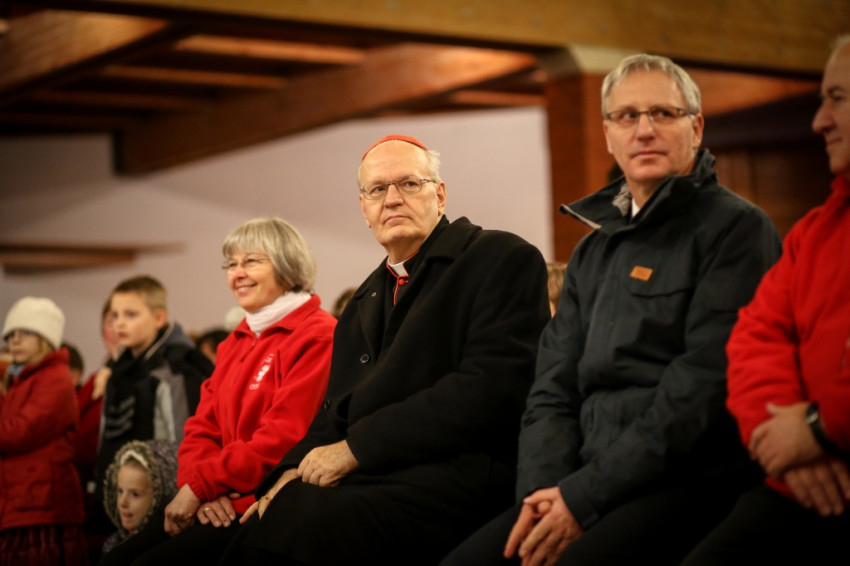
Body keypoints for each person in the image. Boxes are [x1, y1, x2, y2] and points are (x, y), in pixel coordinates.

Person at [442, 54, 782, 565]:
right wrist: (541, 493)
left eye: (662, 113)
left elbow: (701, 390)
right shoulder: (593, 250)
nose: (644, 130)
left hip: (685, 479)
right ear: (607, 134)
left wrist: (582, 498)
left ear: (696, 127)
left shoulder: (736, 230)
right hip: (577, 480)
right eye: (626, 116)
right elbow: (551, 387)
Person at [215, 134, 551, 565]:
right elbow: (336, 410)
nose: (392, 199)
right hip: (382, 473)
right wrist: (289, 470)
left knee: (306, 520)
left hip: (465, 473)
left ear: (440, 195)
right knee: (255, 522)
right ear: (365, 209)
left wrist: (356, 449)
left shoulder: (499, 256)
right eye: (377, 189)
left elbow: (491, 387)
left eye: (409, 184)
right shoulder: (365, 298)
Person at [681, 34, 850, 565]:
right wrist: (785, 442)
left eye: (838, 98)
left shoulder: (736, 226)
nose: (819, 121)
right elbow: (755, 337)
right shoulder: (816, 231)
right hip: (793, 479)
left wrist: (820, 428)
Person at [98, 217, 336, 566]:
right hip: (215, 498)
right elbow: (201, 428)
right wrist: (200, 490)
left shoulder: (317, 334)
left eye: (250, 261)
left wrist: (202, 487)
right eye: (231, 264)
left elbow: (281, 439)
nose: (237, 274)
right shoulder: (237, 339)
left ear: (287, 263)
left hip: (263, 502)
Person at [94, 275, 214, 510]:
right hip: (121, 494)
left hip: (160, 498)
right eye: (115, 316)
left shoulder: (174, 369)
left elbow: (180, 442)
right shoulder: (118, 367)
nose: (119, 324)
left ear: (159, 318)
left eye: (131, 315)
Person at [0, 297, 88, 565]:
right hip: (25, 499)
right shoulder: (24, 378)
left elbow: (19, 432)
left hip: (42, 504)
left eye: (25, 333)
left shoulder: (55, 379)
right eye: (10, 334)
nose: (15, 340)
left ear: (45, 338)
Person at [101, 440, 178, 555]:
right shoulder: (112, 545)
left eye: (135, 494)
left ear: (159, 497)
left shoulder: (162, 552)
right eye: (120, 491)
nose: (122, 502)